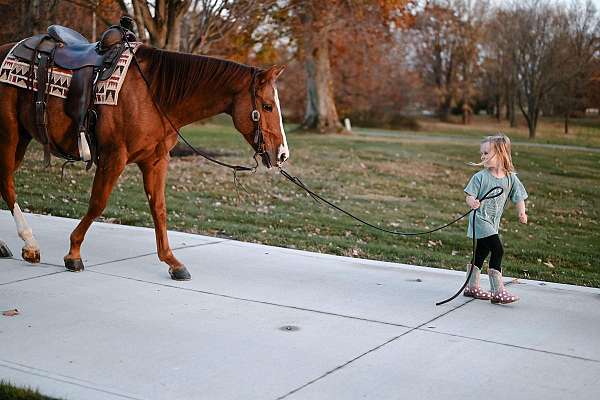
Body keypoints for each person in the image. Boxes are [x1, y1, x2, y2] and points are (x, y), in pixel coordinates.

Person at [463, 134, 528, 304]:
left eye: (486, 153)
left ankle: (472, 287)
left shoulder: (510, 178)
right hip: (480, 219)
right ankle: (498, 291)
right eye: (481, 153)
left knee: (481, 252)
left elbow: (519, 196)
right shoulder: (480, 177)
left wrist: (522, 213)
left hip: (493, 222)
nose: (482, 157)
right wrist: (472, 202)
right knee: (497, 250)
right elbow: (469, 195)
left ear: (501, 153)